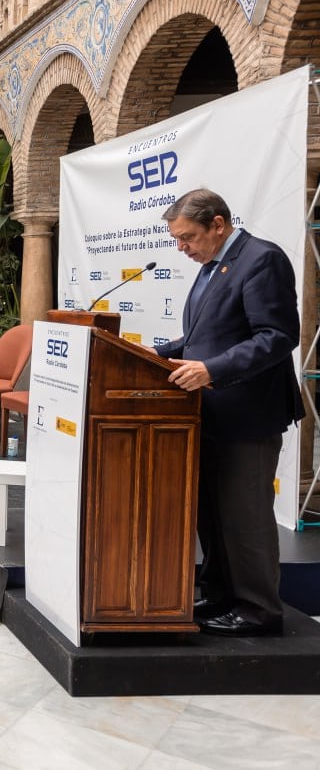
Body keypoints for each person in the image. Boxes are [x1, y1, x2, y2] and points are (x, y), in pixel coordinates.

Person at [152, 189, 304, 637]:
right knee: (212, 514)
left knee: (245, 516)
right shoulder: (210, 266)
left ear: (218, 224)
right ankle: (218, 594)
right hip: (211, 413)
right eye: (177, 239)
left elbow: (276, 336)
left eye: (188, 237)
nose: (182, 247)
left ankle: (258, 610)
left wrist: (212, 370)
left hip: (248, 415)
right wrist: (149, 354)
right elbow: (203, 338)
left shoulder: (262, 260)